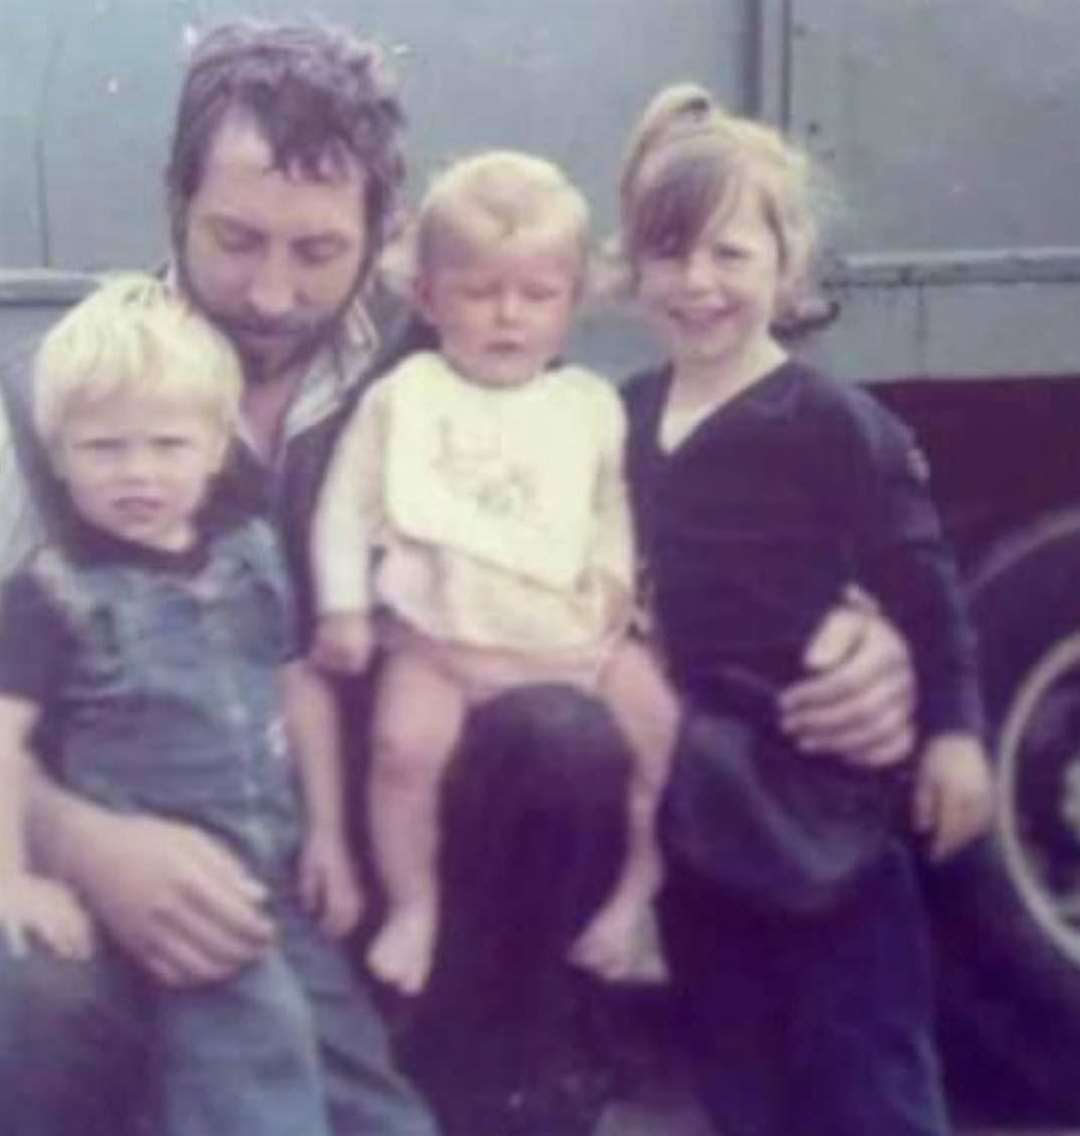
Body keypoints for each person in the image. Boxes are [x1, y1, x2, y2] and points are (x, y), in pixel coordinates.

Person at [0, 21, 918, 1136]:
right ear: (173, 202)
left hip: (380, 857)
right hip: (150, 864)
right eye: (236, 239)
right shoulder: (68, 400)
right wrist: (78, 839)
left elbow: (635, 542)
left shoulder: (453, 370)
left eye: (318, 249)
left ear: (384, 236)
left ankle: (501, 1080)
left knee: (565, 740)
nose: (276, 293)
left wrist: (849, 625)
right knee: (29, 993)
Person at [615, 83, 995, 1136]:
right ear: (632, 265)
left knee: (865, 1060)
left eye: (729, 254)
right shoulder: (621, 418)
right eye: (669, 252)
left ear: (789, 264)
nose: (697, 282)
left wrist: (956, 734)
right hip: (700, 803)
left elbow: (925, 588)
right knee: (734, 1063)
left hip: (830, 805)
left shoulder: (835, 423)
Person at [0, 272, 432, 1136]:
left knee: (358, 1068)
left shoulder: (249, 553)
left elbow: (295, 684)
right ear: (57, 451)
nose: (139, 473)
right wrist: (10, 880)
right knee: (253, 1075)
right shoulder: (52, 593)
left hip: (273, 866)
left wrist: (331, 841)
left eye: (166, 444)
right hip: (179, 893)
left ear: (213, 445)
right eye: (104, 448)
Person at [311, 150, 678, 995]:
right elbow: (342, 506)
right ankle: (414, 905)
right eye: (478, 294)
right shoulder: (405, 397)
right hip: (439, 635)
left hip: (569, 634)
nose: (507, 318)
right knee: (403, 750)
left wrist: (617, 610)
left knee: (663, 732)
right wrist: (343, 609)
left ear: (574, 302)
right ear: (428, 295)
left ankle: (637, 901)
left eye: (537, 296)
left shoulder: (585, 406)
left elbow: (612, 512)